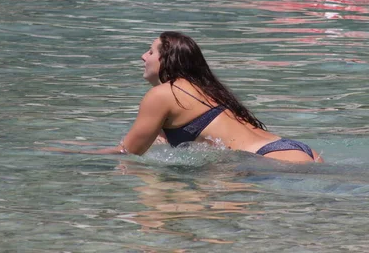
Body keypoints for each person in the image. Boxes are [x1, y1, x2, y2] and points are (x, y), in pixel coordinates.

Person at [45, 32, 323, 164]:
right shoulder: (205, 88)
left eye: (150, 52)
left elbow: (128, 152)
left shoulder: (162, 95)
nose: (144, 57)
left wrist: (71, 155)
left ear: (166, 60)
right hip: (293, 149)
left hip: (272, 162)